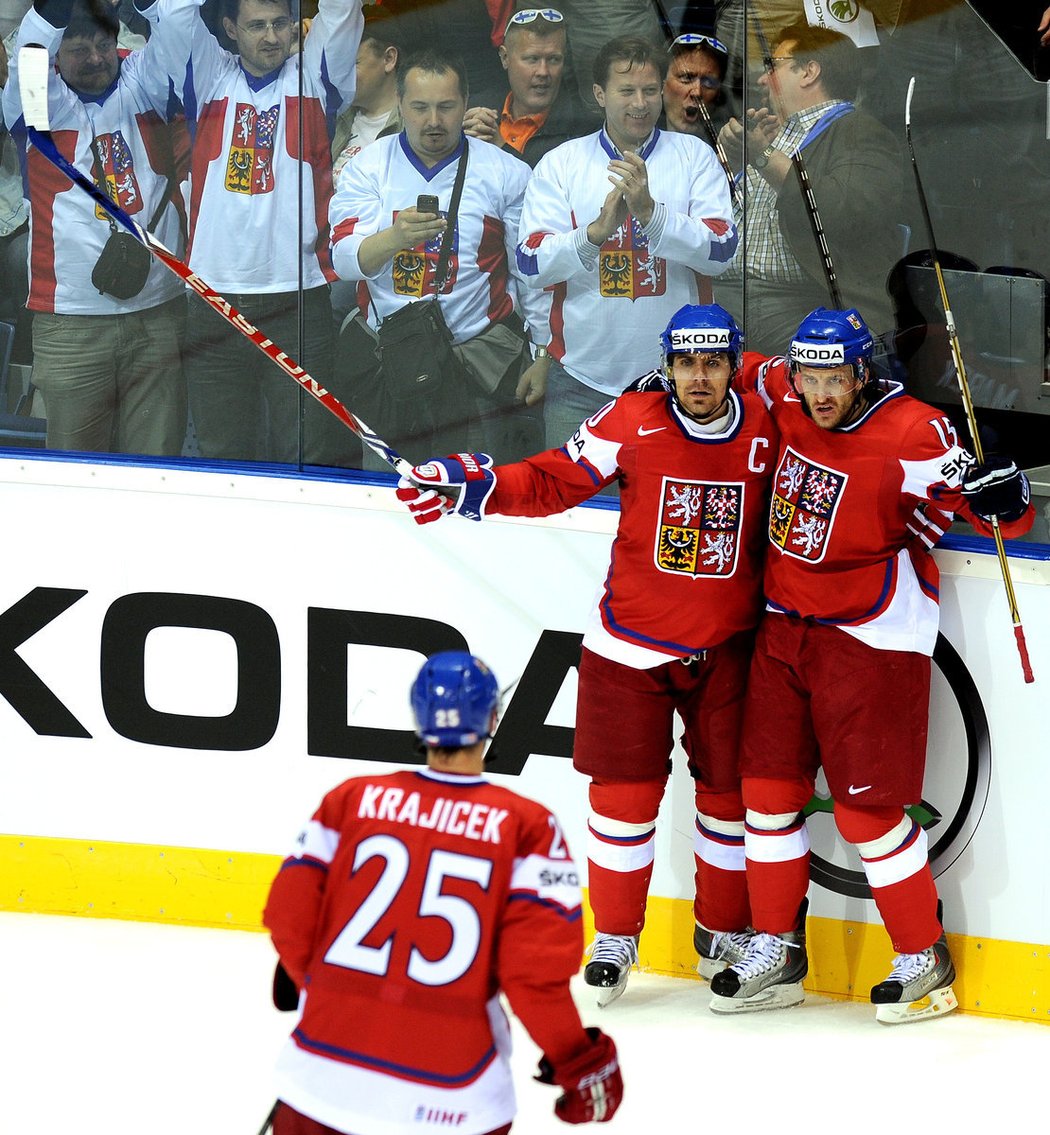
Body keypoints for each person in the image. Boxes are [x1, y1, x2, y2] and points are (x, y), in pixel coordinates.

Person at [395, 305, 779, 1005]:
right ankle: (615, 935)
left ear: (732, 364)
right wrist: (470, 483)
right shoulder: (628, 421)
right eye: (686, 363)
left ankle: (722, 930)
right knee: (623, 802)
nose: (699, 377)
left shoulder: (765, 424)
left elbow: (821, 406)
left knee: (729, 801)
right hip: (628, 647)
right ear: (667, 366)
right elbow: (552, 479)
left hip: (727, 648)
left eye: (713, 362)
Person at [708, 307, 1034, 1023]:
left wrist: (1005, 500)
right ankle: (777, 947)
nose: (820, 392)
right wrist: (658, 384)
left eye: (835, 377)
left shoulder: (917, 431)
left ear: (862, 373)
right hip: (784, 627)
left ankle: (924, 954)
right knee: (764, 793)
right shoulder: (784, 390)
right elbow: (738, 363)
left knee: (867, 812)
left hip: (872, 636)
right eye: (810, 376)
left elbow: (998, 513)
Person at [263, 650, 622, 1134]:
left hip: (322, 1083)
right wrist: (578, 1061)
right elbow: (531, 979)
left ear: (419, 719)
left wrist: (331, 999)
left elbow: (289, 918)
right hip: (453, 1099)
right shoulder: (527, 827)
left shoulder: (350, 799)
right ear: (492, 719)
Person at [144, 0, 364, 465]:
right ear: (229, 28)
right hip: (214, 301)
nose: (271, 37)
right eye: (257, 25)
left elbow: (342, 10)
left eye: (281, 24)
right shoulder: (207, 75)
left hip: (299, 303)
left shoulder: (317, 78)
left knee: (306, 453)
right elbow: (178, 12)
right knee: (222, 454)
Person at [516, 35, 738, 449]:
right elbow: (531, 264)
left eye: (650, 90)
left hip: (679, 380)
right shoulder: (561, 163)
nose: (640, 102)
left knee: (666, 509)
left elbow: (721, 252)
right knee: (572, 512)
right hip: (580, 380)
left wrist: (653, 215)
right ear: (600, 94)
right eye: (626, 90)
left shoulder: (694, 156)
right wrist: (594, 234)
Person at [330, 46, 549, 465]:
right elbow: (342, 260)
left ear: (466, 104)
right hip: (390, 359)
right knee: (388, 492)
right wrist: (395, 237)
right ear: (399, 104)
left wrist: (541, 352)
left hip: (474, 362)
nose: (433, 121)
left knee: (473, 495)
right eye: (420, 107)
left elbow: (529, 274)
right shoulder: (368, 166)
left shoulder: (507, 172)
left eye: (446, 107)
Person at [2, 0, 188, 455]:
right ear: (56, 55)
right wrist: (51, 9)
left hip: (158, 312)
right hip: (69, 323)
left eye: (104, 45)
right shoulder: (38, 107)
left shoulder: (143, 81)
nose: (95, 59)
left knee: (157, 463)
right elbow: (26, 53)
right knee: (75, 469)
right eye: (79, 49)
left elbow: (179, 39)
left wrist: (149, 5)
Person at [713, 23, 901, 357]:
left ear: (809, 71)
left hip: (800, 305)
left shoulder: (859, 131)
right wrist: (734, 162)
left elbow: (840, 212)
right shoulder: (775, 132)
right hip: (724, 294)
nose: (761, 79)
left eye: (773, 65)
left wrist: (764, 156)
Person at [463, 7, 587, 169]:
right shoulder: (474, 110)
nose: (543, 71)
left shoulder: (583, 131)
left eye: (554, 59)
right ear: (505, 58)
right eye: (532, 59)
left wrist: (500, 148)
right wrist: (456, 140)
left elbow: (546, 190)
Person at [331, 10, 400, 188]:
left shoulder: (414, 125)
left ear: (389, 59)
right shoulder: (336, 119)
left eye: (353, 63)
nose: (342, 74)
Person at [661, 30, 730, 142]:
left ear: (718, 95)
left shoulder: (728, 153)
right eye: (687, 78)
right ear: (662, 83)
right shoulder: (635, 141)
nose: (697, 92)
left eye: (709, 83)